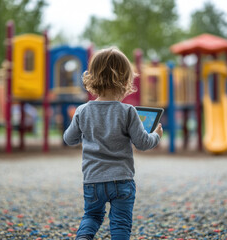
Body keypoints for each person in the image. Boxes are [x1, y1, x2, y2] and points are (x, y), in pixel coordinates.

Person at [63, 47, 163, 240]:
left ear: (92, 79)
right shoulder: (128, 112)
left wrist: (80, 129)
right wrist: (156, 135)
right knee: (120, 223)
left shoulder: (82, 111)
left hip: (92, 180)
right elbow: (142, 143)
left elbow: (69, 139)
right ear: (126, 81)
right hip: (122, 180)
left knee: (92, 216)